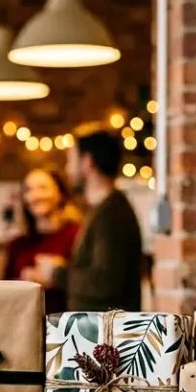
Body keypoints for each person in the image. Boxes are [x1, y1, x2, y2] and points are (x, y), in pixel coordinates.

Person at [60, 128, 144, 312]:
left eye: (70, 160)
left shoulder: (112, 214)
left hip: (108, 327)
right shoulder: (105, 209)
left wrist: (56, 274)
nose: (67, 169)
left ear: (87, 162)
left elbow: (105, 282)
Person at [5, 167, 81, 315]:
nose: (35, 195)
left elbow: (90, 284)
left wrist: (58, 274)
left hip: (68, 322)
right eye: (28, 190)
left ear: (60, 194)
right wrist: (23, 283)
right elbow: (5, 292)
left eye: (42, 188)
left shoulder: (78, 236)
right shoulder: (17, 245)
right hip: (27, 322)